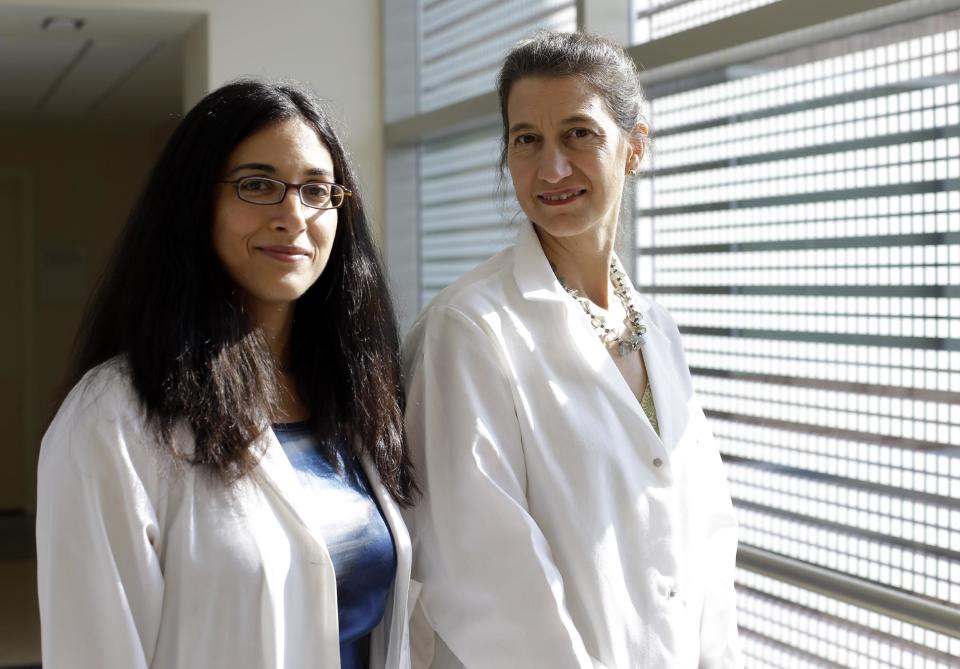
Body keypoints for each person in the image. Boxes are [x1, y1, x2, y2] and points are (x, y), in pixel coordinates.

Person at [36, 80, 417, 669]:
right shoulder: (113, 416)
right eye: (258, 185)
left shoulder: (356, 393)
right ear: (195, 205)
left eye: (316, 190)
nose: (293, 215)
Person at [403, 31, 742, 668]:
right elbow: (484, 579)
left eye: (579, 133)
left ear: (635, 146)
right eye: (526, 139)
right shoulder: (470, 329)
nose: (551, 168)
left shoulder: (657, 329)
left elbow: (706, 538)